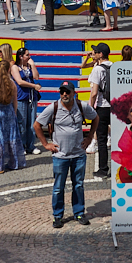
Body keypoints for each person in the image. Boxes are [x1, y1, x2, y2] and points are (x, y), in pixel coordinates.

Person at [36, 81, 97, 228]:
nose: (64, 94)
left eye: (67, 91)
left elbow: (96, 118)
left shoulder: (82, 106)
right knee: (58, 187)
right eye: (62, 91)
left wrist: (89, 138)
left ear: (73, 93)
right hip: (60, 156)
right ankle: (57, 216)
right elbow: (37, 125)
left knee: (79, 185)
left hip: (78, 155)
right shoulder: (54, 107)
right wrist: (45, 144)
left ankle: (79, 213)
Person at [88, 43, 113, 178]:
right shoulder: (114, 66)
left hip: (102, 107)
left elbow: (94, 92)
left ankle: (103, 169)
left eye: (96, 52)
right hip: (114, 106)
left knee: (102, 140)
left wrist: (91, 108)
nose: (94, 53)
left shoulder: (98, 69)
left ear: (101, 54)